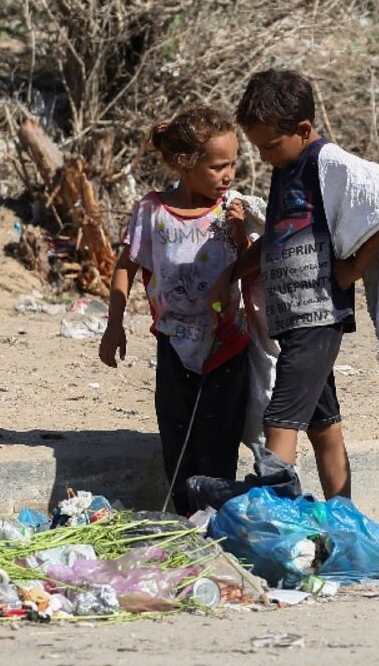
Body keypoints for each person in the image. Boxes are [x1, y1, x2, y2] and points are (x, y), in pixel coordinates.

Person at [214, 68, 379, 500]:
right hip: (290, 318)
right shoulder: (286, 170)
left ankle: (274, 523)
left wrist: (353, 269)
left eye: (270, 146)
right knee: (322, 424)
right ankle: (345, 519)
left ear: (304, 129)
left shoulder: (327, 164)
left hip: (317, 315)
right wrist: (230, 274)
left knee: (279, 419)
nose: (264, 156)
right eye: (258, 148)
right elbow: (275, 241)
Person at [98, 105, 251, 515]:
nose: (229, 175)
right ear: (185, 164)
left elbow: (251, 264)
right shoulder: (152, 212)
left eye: (233, 164)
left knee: (219, 444)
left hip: (226, 346)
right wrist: (114, 326)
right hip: (173, 346)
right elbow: (126, 267)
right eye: (219, 166)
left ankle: (217, 523)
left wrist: (240, 231)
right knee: (177, 441)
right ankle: (186, 521)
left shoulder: (231, 208)